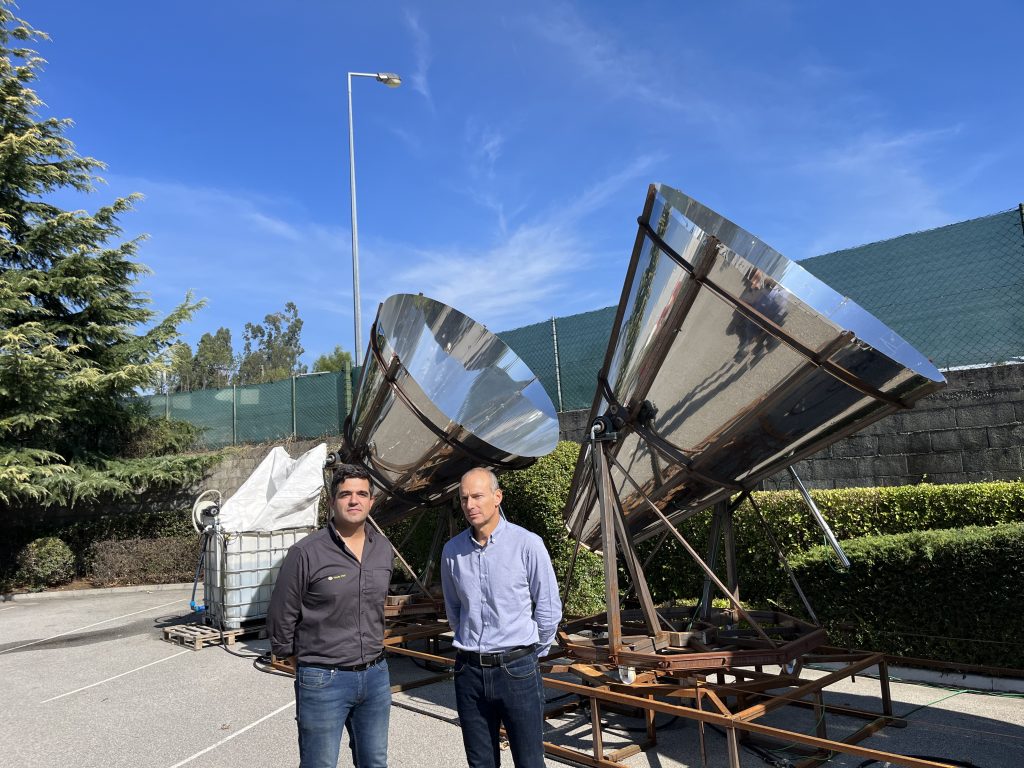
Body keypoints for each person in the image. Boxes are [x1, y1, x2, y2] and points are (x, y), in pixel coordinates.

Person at [268, 464, 394, 768]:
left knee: (375, 762)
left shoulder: (384, 549)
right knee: (319, 764)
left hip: (376, 676)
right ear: (332, 501)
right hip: (324, 679)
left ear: (371, 502)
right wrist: (305, 664)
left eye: (362, 494)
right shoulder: (306, 553)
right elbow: (281, 613)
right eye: (345, 494)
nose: (354, 500)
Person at [441, 467, 562, 768]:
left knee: (530, 762)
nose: (470, 504)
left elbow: (548, 609)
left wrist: (531, 653)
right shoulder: (452, 551)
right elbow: (454, 608)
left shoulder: (527, 544)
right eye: (464, 497)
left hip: (517, 669)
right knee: (480, 762)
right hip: (468, 672)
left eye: (478, 496)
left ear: (497, 497)